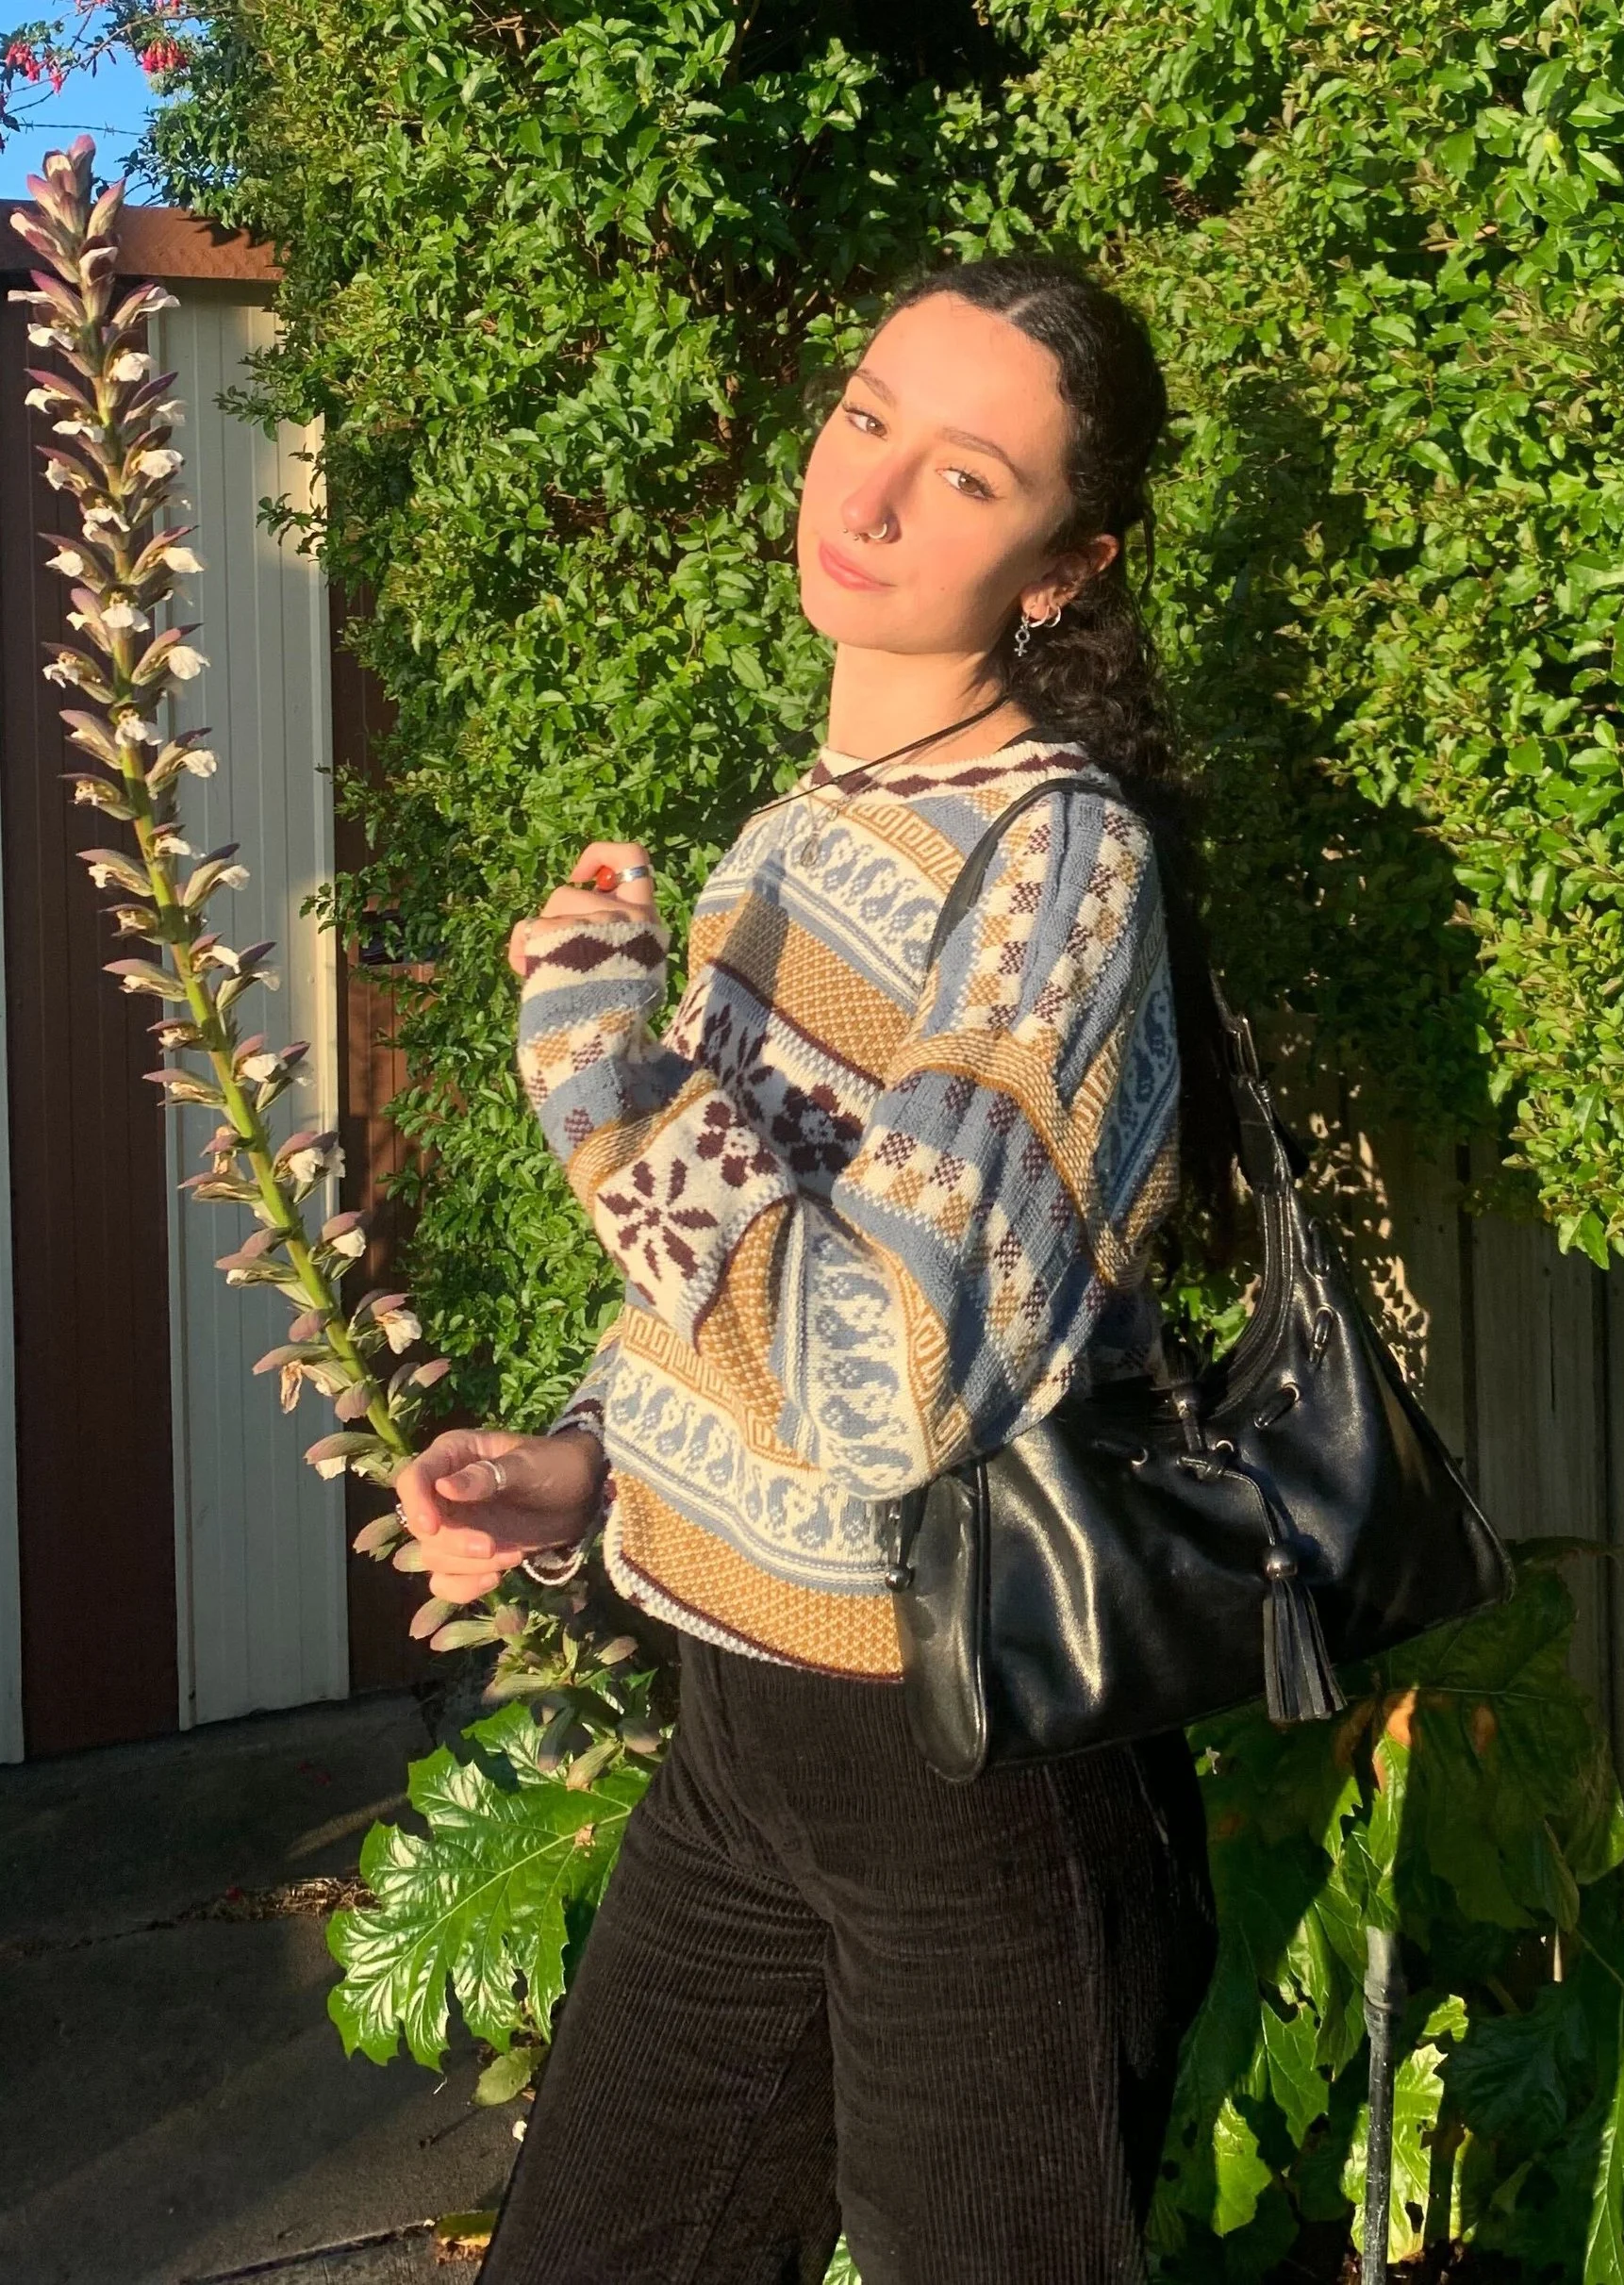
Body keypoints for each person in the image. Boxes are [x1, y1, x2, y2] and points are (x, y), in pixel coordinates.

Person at [393, 253, 1238, 2285]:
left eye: (963, 477)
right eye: (866, 415)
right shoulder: (790, 833)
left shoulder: (1056, 870)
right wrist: (593, 1459)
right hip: (743, 1755)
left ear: (1062, 565)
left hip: (959, 1775)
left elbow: (880, 1384)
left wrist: (598, 1065)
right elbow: (751, 1255)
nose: (863, 497)